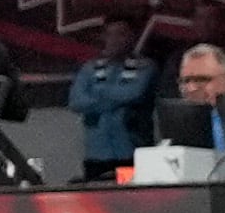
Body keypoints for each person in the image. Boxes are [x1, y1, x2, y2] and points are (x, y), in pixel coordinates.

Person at [66, 13, 159, 181]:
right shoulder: (89, 68)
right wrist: (115, 99)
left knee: (131, 201)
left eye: (121, 34)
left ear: (132, 37)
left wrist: (96, 95)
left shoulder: (145, 67)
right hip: (96, 156)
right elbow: (76, 102)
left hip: (131, 154)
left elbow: (133, 93)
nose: (114, 39)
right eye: (110, 34)